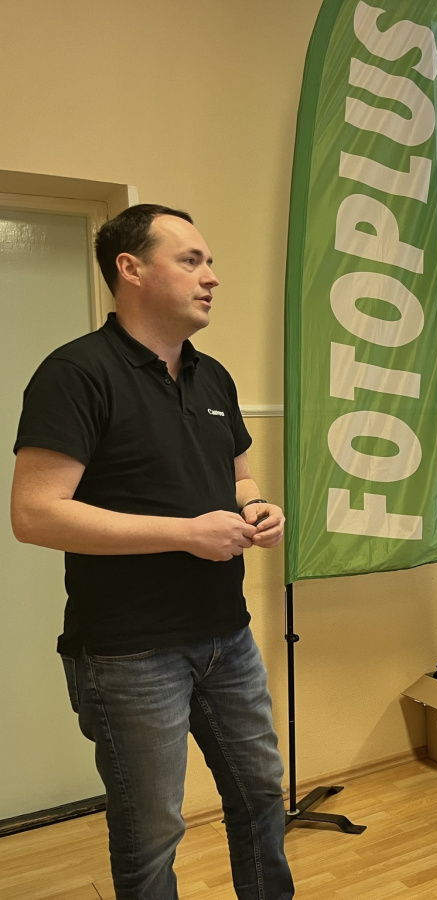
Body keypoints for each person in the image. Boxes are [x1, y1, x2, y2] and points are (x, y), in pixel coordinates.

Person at [9, 204, 294, 899]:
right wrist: (185, 533)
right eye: (191, 261)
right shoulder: (76, 373)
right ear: (130, 269)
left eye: (210, 262)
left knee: (261, 794)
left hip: (227, 637)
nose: (211, 277)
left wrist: (257, 507)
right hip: (129, 654)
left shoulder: (213, 376)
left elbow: (240, 478)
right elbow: (34, 514)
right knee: (152, 834)